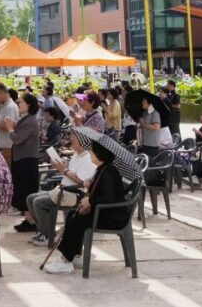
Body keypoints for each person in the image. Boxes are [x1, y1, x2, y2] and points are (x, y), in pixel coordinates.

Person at [43, 141, 128, 275]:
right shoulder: (101, 169)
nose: (90, 154)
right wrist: (90, 184)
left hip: (113, 217)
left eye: (92, 151)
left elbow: (109, 198)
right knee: (72, 215)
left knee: (77, 220)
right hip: (105, 212)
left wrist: (90, 200)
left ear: (99, 154)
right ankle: (75, 255)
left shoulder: (108, 172)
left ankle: (65, 260)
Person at [27, 130, 97, 246]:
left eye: (74, 137)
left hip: (75, 193)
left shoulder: (88, 158)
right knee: (30, 198)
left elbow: (81, 180)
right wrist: (62, 165)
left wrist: (63, 169)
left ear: (82, 141)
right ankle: (45, 232)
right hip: (64, 189)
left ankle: (49, 236)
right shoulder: (77, 154)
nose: (71, 139)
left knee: (38, 202)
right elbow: (70, 171)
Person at [11, 93, 41, 231]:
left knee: (27, 189)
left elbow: (17, 139)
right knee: (22, 190)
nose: (18, 104)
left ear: (28, 105)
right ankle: (29, 220)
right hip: (21, 159)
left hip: (27, 160)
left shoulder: (30, 121)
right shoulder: (26, 119)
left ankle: (32, 221)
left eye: (21, 102)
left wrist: (10, 128)